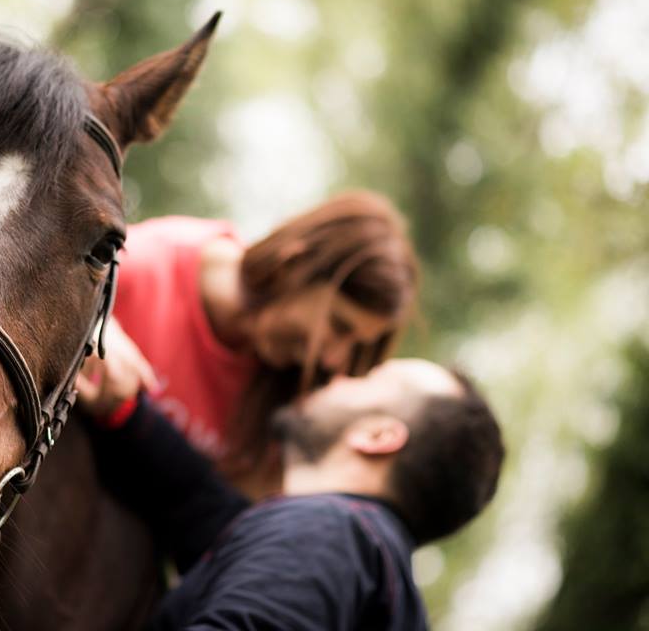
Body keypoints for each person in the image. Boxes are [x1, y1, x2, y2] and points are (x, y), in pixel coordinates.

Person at [77, 358, 505, 630]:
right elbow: (202, 509)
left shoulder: (330, 536)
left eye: (369, 378)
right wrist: (124, 411)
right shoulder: (362, 559)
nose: (338, 374)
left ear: (377, 436)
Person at [82, 191, 419, 495]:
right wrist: (94, 323)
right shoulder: (151, 264)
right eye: (338, 325)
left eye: (355, 347)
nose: (333, 360)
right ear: (296, 262)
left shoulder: (291, 400)